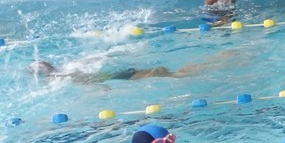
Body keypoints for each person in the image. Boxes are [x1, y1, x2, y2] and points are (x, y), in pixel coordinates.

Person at [28, 59, 206, 83]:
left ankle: (200, 67)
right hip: (117, 73)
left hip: (117, 77)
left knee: (173, 75)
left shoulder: (60, 77)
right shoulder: (68, 65)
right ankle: (197, 66)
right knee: (167, 72)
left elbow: (89, 82)